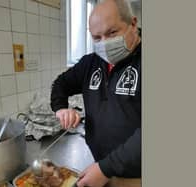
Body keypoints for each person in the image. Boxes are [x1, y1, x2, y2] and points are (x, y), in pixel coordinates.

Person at [50, 0, 141, 186]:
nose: (105, 44)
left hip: (135, 176)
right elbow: (60, 84)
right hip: (100, 166)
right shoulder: (90, 64)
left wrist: (106, 168)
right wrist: (61, 109)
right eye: (97, 38)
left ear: (133, 24)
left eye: (112, 33)